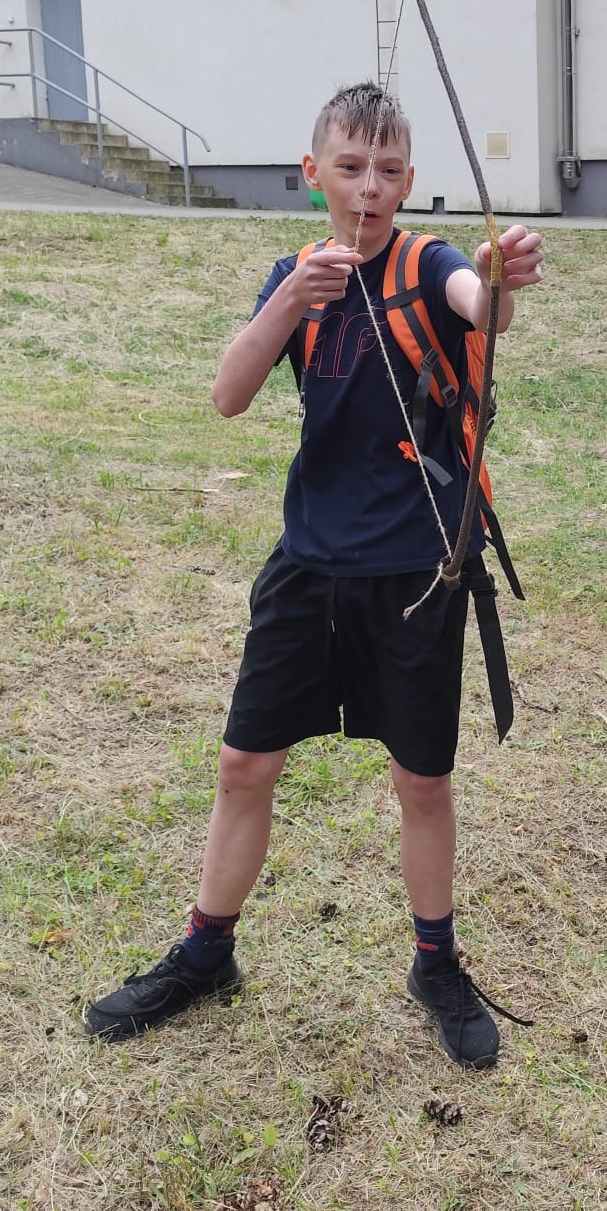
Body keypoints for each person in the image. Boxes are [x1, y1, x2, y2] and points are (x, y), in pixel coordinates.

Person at [83, 82, 545, 1070]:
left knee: (422, 781)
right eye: (350, 168)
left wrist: (500, 277)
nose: (369, 187)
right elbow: (228, 395)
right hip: (308, 566)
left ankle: (435, 962)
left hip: (415, 571)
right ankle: (207, 952)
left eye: (388, 171)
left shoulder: (431, 264)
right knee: (245, 765)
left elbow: (485, 305)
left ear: (409, 182)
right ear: (314, 175)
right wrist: (295, 296)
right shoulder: (296, 277)